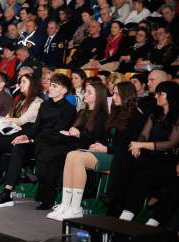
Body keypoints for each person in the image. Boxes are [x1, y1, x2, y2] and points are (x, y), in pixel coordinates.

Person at [0, 73, 76, 208]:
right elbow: (36, 126)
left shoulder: (69, 109)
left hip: (49, 143)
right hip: (35, 140)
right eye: (51, 85)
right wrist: (26, 136)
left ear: (64, 90)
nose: (50, 88)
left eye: (55, 86)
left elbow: (56, 132)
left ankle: (7, 193)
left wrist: (31, 140)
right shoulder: (45, 105)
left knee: (19, 147)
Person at [47, 82, 145, 221]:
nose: (114, 96)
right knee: (72, 155)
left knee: (78, 158)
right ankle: (65, 204)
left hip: (119, 157)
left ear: (126, 95)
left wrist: (107, 148)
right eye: (114, 93)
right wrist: (100, 144)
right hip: (107, 152)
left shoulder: (136, 116)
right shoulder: (116, 112)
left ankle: (75, 208)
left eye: (117, 94)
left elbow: (130, 145)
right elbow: (107, 137)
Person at [33, 80, 109, 210]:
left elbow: (94, 137)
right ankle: (44, 187)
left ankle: (47, 193)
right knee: (46, 141)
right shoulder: (82, 112)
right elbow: (73, 129)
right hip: (73, 141)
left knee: (51, 152)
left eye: (89, 92)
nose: (85, 94)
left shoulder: (102, 115)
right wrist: (69, 132)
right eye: (85, 91)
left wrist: (77, 133)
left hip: (87, 146)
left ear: (99, 96)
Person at [118, 82, 179, 223]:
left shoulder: (176, 117)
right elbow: (144, 134)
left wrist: (141, 144)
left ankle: (153, 221)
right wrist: (138, 146)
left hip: (167, 158)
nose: (156, 96)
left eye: (160, 94)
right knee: (138, 172)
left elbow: (171, 144)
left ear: (171, 97)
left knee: (160, 177)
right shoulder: (154, 114)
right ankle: (125, 216)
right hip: (150, 157)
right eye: (156, 93)